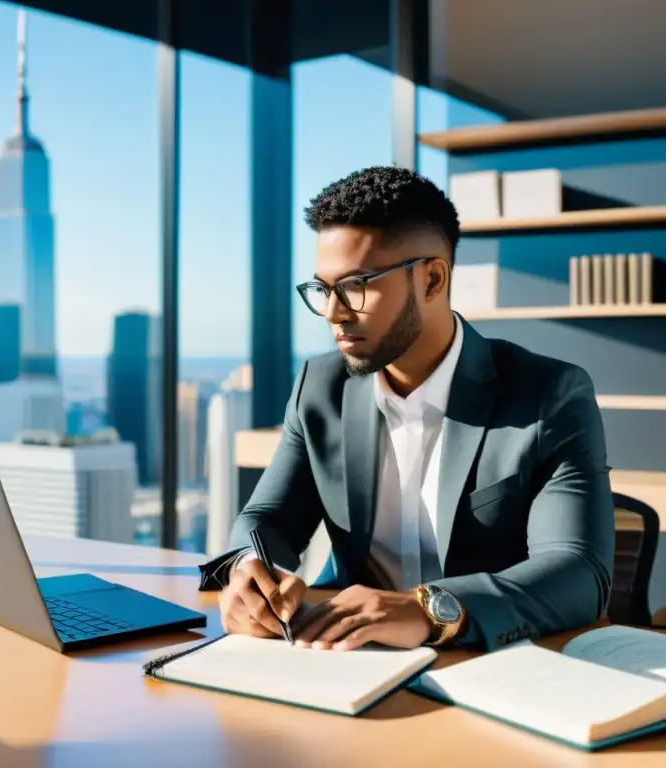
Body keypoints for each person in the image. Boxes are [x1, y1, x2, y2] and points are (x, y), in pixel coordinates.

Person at [198, 166, 614, 652]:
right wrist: (249, 570)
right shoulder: (320, 386)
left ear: (433, 279)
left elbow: (580, 571)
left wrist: (427, 608)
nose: (333, 312)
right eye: (323, 289)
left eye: (356, 285)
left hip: (491, 660)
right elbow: (266, 516)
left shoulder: (548, 393)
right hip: (350, 659)